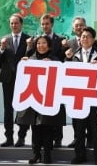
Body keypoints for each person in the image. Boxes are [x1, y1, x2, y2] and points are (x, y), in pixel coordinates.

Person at [16, 36, 66, 164]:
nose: (41, 45)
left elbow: (61, 77)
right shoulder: (30, 58)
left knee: (47, 127)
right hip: (34, 99)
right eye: (38, 43)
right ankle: (36, 153)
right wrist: (23, 63)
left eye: (44, 43)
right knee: (35, 128)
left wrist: (51, 64)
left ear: (49, 46)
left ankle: (47, 154)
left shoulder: (55, 59)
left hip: (48, 99)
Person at [65, 26, 97, 165]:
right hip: (79, 98)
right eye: (83, 37)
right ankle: (79, 155)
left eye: (88, 36)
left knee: (95, 128)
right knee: (79, 128)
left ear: (93, 40)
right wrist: (67, 59)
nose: (85, 39)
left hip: (94, 98)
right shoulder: (73, 55)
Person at [26, 14, 66, 148]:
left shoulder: (60, 39)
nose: (45, 26)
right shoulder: (36, 39)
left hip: (54, 82)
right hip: (39, 85)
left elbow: (63, 60)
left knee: (54, 113)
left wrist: (53, 62)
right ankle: (37, 150)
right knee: (39, 121)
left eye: (47, 24)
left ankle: (58, 138)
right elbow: (30, 56)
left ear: (52, 24)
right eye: (42, 24)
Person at [62, 16, 97, 148]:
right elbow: (64, 63)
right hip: (75, 87)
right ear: (73, 28)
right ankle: (77, 139)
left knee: (91, 117)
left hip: (90, 87)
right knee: (77, 117)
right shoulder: (68, 43)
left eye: (81, 25)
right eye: (76, 25)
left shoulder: (94, 42)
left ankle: (91, 140)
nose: (79, 27)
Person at [0, 14, 31, 147]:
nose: (14, 25)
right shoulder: (4, 40)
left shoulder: (29, 39)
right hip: (8, 79)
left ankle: (21, 137)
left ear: (21, 24)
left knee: (23, 109)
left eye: (16, 23)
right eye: (11, 23)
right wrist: (1, 49)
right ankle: (9, 137)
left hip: (24, 80)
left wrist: (29, 48)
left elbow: (33, 57)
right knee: (8, 109)